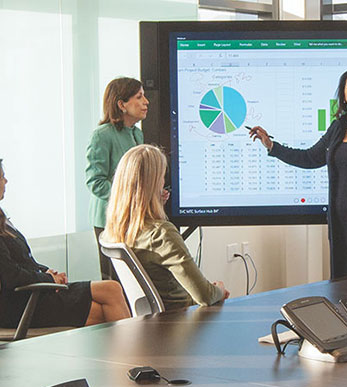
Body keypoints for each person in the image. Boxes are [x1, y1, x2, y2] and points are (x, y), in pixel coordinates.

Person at [249, 67, 347, 279]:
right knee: (344, 289)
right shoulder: (338, 127)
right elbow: (310, 157)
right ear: (343, 94)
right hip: (341, 227)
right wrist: (271, 146)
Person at [0, 159, 131, 329]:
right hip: (17, 305)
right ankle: (135, 353)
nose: (6, 181)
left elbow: (22, 261)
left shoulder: (3, 217)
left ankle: (132, 354)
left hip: (30, 295)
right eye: (3, 177)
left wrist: (45, 270)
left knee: (112, 290)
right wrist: (48, 279)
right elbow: (10, 276)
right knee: (107, 303)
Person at [102, 144, 230, 310]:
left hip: (152, 324)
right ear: (153, 184)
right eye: (162, 177)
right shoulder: (161, 234)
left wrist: (155, 205)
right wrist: (219, 289)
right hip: (180, 321)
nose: (164, 182)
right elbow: (205, 295)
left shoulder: (113, 231)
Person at [85, 77, 150, 281]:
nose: (146, 102)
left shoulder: (137, 134)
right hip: (110, 222)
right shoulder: (102, 135)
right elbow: (95, 181)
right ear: (121, 105)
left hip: (133, 220)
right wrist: (127, 199)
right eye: (139, 97)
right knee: (116, 283)